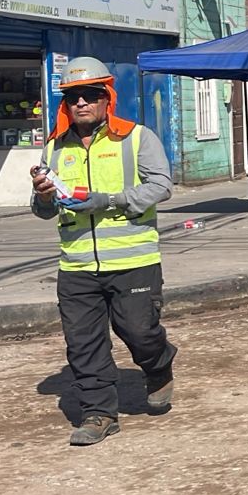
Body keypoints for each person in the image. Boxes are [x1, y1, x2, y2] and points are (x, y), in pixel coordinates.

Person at [30, 57, 176, 447]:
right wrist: (42, 197)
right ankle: (98, 413)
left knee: (140, 332)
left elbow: (161, 185)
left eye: (90, 95)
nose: (81, 103)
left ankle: (158, 366)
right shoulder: (55, 147)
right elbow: (44, 209)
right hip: (76, 265)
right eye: (73, 96)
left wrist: (108, 200)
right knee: (83, 343)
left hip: (134, 261)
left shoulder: (137, 137)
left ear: (106, 98)